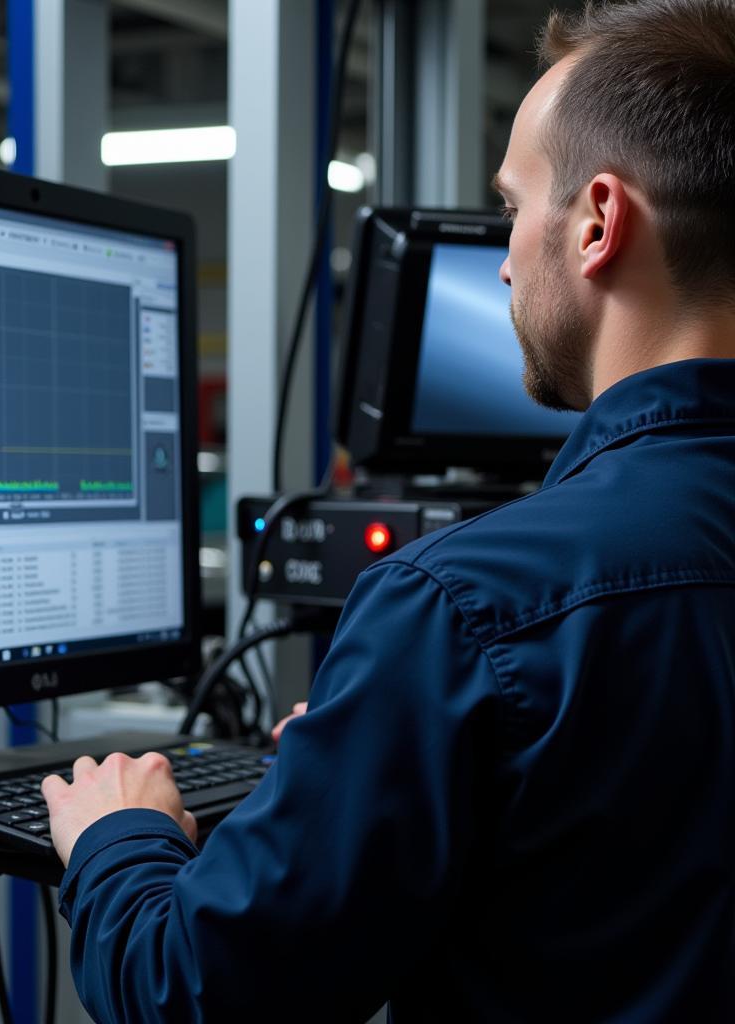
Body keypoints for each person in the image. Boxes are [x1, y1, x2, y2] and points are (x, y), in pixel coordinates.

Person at [42, 1, 735, 1019]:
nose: (503, 258)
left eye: (512, 208)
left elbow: (187, 989)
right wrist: (374, 750)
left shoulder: (462, 605)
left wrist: (117, 837)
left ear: (595, 222)